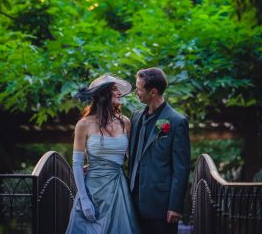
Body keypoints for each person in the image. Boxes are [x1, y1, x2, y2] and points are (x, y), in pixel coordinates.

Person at [65, 73, 140, 234]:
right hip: (92, 190)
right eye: (115, 89)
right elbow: (77, 164)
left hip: (119, 189)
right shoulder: (84, 124)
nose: (120, 93)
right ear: (103, 94)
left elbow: (129, 156)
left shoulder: (125, 122)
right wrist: (84, 200)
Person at [129, 67, 191, 234]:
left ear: (153, 92)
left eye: (139, 88)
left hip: (161, 206)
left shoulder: (177, 122)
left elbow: (181, 168)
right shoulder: (135, 118)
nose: (136, 92)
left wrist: (175, 206)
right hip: (133, 203)